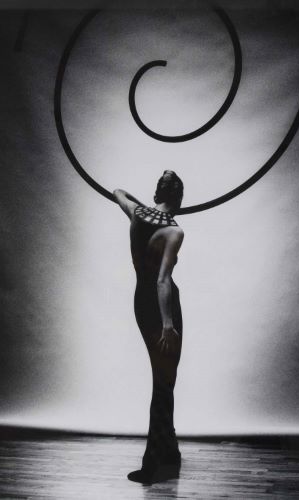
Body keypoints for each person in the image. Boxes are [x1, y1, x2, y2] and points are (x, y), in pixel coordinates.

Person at [113, 170, 184, 484]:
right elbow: (163, 280)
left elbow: (118, 191)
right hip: (161, 307)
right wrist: (168, 324)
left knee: (164, 378)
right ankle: (152, 464)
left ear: (158, 193)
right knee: (164, 381)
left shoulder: (136, 213)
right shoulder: (174, 231)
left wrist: (148, 208)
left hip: (140, 301)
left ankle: (169, 451)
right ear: (179, 197)